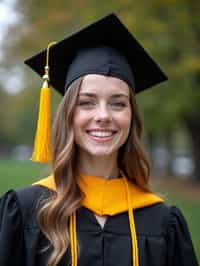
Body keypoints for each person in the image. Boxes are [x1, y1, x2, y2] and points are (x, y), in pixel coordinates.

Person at [0, 13, 198, 266]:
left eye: (118, 103)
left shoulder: (162, 223)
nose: (103, 116)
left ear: (132, 117)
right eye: (87, 103)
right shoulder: (25, 211)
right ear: (69, 115)